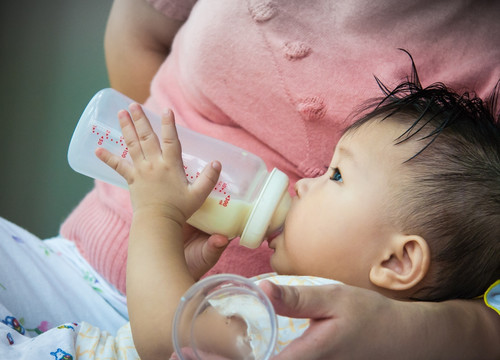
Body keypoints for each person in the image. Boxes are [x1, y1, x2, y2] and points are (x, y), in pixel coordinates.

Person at [59, 0, 500, 358]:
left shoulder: (296, 315)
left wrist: (156, 214)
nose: (303, 183)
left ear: (396, 262)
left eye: (337, 174)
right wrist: (176, 269)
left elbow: (165, 337)